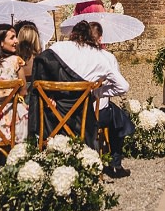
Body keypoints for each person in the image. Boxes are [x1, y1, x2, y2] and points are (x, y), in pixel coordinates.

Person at [49, 19, 134, 177]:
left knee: (115, 114)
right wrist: (98, 92)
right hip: (91, 115)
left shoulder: (62, 53)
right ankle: (115, 162)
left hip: (60, 113)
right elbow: (123, 87)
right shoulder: (105, 58)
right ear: (99, 39)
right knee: (118, 116)